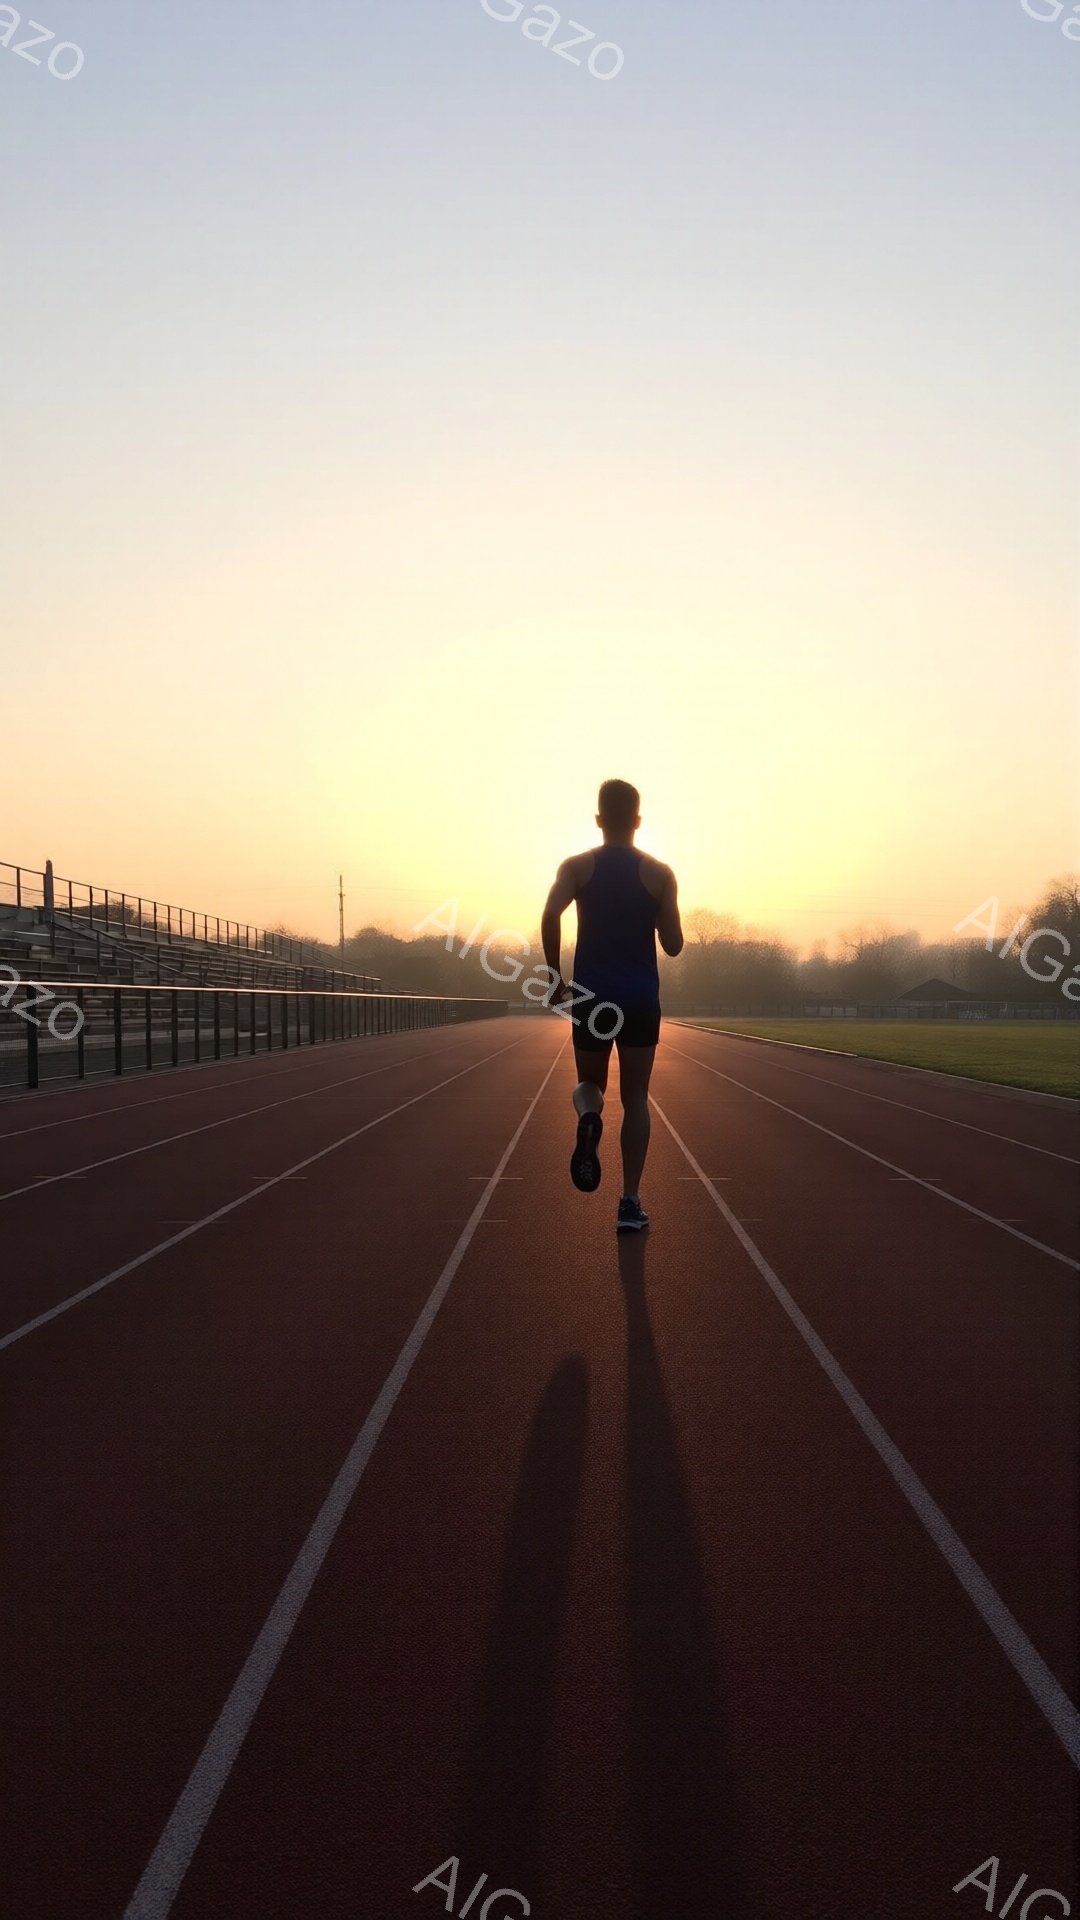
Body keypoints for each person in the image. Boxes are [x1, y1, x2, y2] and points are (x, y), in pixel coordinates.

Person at [541, 779, 683, 1232]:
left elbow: (549, 915)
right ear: (638, 821)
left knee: (589, 1084)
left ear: (599, 819)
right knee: (636, 1098)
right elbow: (674, 945)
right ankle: (629, 1202)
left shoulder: (577, 867)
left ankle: (588, 1116)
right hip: (640, 998)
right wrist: (660, 918)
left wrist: (553, 976)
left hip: (592, 997)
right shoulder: (660, 874)